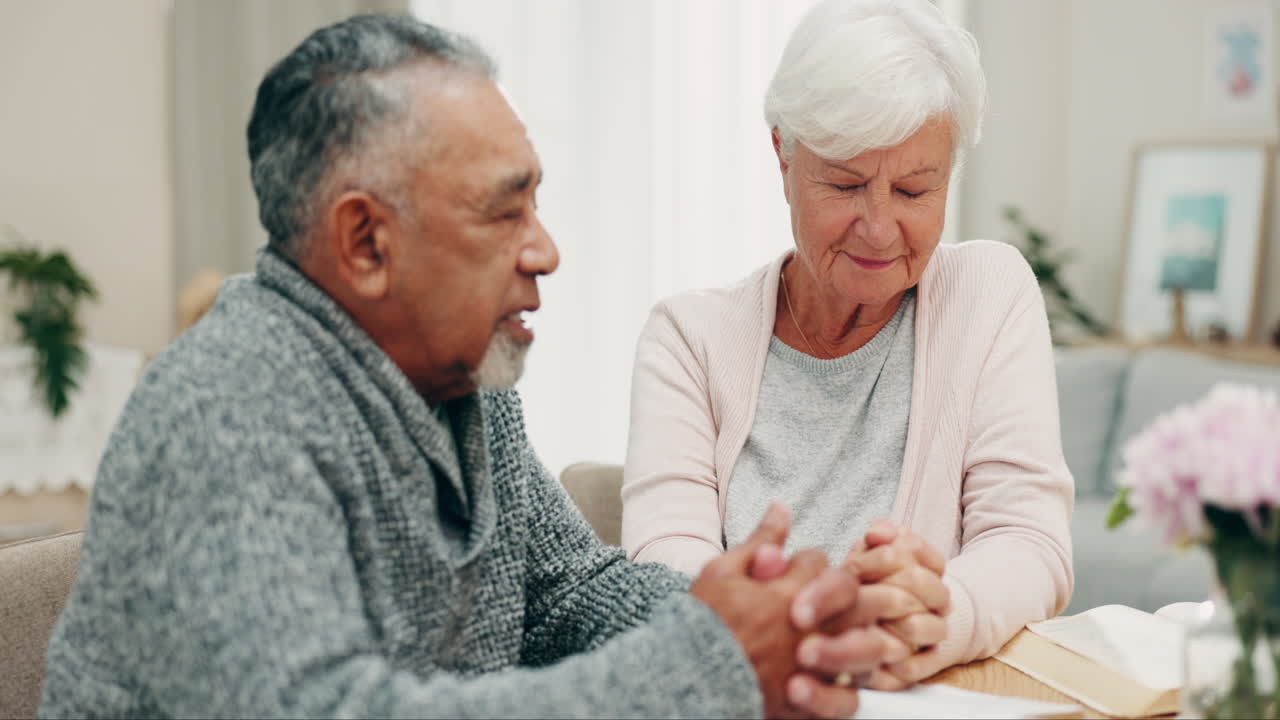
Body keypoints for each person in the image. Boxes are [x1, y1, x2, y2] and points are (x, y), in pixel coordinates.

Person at [39, 14, 893, 720]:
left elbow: (567, 597)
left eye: (538, 201)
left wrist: (781, 626)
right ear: (366, 242)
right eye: (502, 210)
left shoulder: (461, 381)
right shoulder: (225, 410)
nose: (547, 249)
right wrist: (712, 662)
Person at [622, 0, 1074, 689]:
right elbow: (662, 565)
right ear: (783, 151)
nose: (880, 229)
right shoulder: (688, 339)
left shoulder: (990, 293)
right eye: (846, 183)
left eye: (915, 190)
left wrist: (939, 612)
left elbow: (1031, 542)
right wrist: (795, 634)